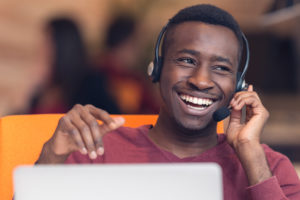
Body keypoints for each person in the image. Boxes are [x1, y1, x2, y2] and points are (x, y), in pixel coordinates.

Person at [36, 4, 300, 200]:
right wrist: (50, 157)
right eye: (186, 61)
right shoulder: (95, 152)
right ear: (157, 69)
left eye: (221, 67)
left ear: (238, 85)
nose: (201, 80)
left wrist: (251, 157)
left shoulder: (269, 166)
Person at [30, 18, 120, 114]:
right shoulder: (44, 87)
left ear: (63, 47)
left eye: (47, 43)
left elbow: (112, 118)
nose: (41, 49)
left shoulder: (91, 83)